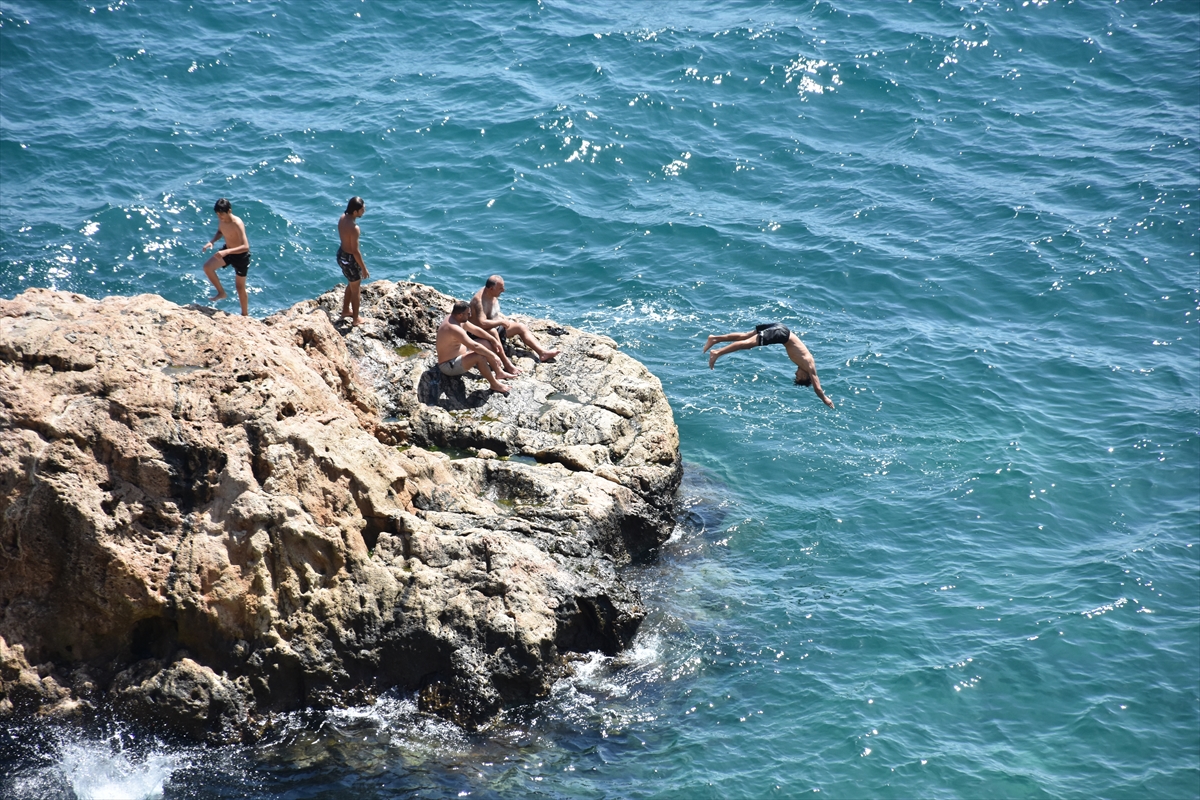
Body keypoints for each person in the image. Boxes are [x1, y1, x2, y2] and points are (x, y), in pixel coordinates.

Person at [704, 323, 835, 408]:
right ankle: (717, 353)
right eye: (799, 377)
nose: (796, 374)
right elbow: (817, 388)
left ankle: (715, 338)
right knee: (748, 344)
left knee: (745, 337)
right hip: (782, 334)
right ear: (806, 377)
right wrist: (825, 399)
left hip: (781, 329)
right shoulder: (810, 366)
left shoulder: (803, 364)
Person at [468, 275, 560, 363]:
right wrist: (501, 321)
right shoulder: (479, 301)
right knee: (493, 331)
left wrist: (503, 320)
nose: (503, 290)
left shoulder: (493, 294)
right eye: (500, 288)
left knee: (521, 327)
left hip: (497, 328)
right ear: (491, 288)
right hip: (480, 334)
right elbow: (482, 323)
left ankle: (542, 353)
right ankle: (505, 362)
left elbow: (492, 313)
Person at [436, 300, 513, 395]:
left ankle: (499, 372)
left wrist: (493, 339)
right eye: (468, 314)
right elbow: (475, 346)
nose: (470, 315)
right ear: (460, 314)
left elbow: (476, 330)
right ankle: (494, 384)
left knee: (485, 343)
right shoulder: (453, 327)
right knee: (479, 356)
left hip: (460, 354)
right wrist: (493, 355)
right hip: (449, 365)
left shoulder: (455, 318)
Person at [201, 198, 251, 316]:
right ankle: (221, 293)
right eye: (217, 215)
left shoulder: (237, 223)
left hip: (241, 256)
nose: (220, 217)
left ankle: (245, 315)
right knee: (207, 267)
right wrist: (212, 241)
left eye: (222, 214)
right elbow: (220, 231)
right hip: (227, 251)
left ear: (229, 211)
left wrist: (227, 252)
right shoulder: (222, 220)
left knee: (239, 287)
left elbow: (246, 246)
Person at [337, 196, 370, 326]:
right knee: (356, 290)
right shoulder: (354, 228)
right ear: (355, 212)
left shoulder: (342, 218)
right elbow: (355, 251)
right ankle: (356, 319)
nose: (364, 211)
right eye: (362, 209)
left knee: (352, 283)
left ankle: (345, 310)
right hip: (350, 259)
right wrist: (363, 268)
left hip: (341, 255)